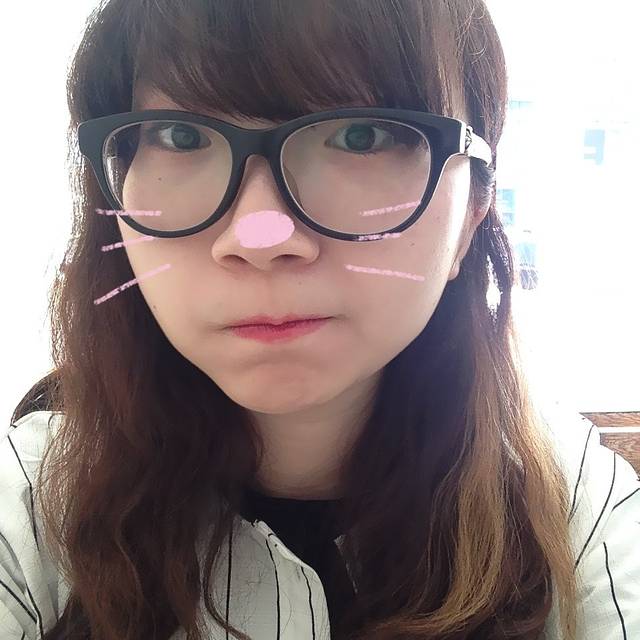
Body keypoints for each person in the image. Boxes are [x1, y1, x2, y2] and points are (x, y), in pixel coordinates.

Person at [1, 1, 638, 639]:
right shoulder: (28, 505)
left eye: (361, 136)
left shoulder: (574, 508)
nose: (259, 237)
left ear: (473, 211)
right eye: (181, 136)